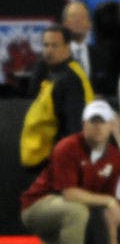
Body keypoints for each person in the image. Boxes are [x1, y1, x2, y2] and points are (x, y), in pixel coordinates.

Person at [5, 100, 120, 244]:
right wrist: (108, 200)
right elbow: (69, 193)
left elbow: (109, 210)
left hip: (65, 219)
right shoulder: (68, 147)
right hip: (37, 207)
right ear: (84, 124)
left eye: (103, 122)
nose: (98, 127)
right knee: (76, 210)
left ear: (111, 125)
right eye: (93, 122)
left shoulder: (114, 157)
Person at [20, 24, 94, 169]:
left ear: (68, 47)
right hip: (48, 158)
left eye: (54, 45)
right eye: (46, 45)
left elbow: (75, 124)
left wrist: (65, 160)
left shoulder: (70, 79)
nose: (48, 51)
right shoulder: (54, 73)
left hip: (62, 159)